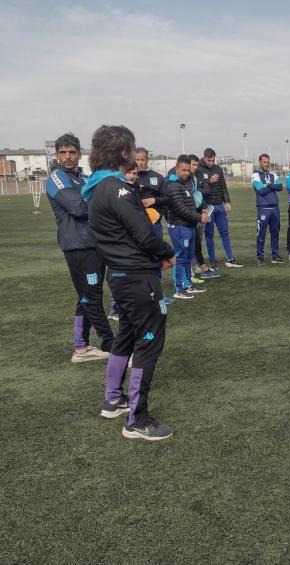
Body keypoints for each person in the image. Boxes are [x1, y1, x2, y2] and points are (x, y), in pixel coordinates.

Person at [83, 124, 176, 440]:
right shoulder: (118, 189)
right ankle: (137, 419)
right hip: (137, 278)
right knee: (149, 341)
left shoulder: (97, 188)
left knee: (125, 334)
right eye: (133, 150)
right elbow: (144, 234)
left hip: (121, 277)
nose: (137, 157)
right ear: (124, 153)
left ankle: (113, 398)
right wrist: (166, 252)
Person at [45, 132, 114, 363]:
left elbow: (100, 202)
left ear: (79, 154)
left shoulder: (84, 178)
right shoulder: (56, 177)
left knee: (85, 296)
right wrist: (102, 205)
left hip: (94, 244)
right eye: (63, 153)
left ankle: (81, 348)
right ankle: (113, 347)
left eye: (72, 152)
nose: (67, 157)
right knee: (91, 297)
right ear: (57, 155)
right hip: (77, 247)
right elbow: (78, 208)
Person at [165, 155, 209, 300]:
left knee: (189, 256)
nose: (186, 173)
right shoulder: (172, 185)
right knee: (180, 257)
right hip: (179, 226)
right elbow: (180, 208)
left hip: (189, 226)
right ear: (176, 169)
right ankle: (178, 289)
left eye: (188, 170)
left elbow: (193, 201)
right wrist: (199, 217)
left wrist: (201, 211)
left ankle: (188, 285)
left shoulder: (188, 182)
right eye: (183, 170)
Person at [197, 148, 243, 268]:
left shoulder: (218, 169)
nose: (211, 163)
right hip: (208, 207)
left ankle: (230, 259)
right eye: (208, 160)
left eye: (213, 160)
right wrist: (209, 181)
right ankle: (212, 260)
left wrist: (227, 201)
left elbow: (223, 186)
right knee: (209, 234)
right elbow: (199, 188)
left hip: (219, 206)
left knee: (224, 232)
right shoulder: (198, 169)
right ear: (204, 157)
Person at [253, 153, 285, 264]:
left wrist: (267, 185)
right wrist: (272, 186)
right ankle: (260, 257)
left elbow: (280, 187)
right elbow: (260, 191)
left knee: (275, 233)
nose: (267, 164)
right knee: (261, 233)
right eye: (264, 162)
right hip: (263, 208)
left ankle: (275, 256)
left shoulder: (273, 174)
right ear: (260, 162)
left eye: (268, 162)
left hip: (275, 208)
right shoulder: (256, 175)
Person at [132, 147, 167, 239]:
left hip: (154, 223)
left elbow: (167, 198)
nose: (140, 163)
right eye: (137, 159)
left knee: (157, 252)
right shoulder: (128, 176)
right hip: (135, 223)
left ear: (147, 160)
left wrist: (154, 200)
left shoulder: (157, 177)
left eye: (142, 160)